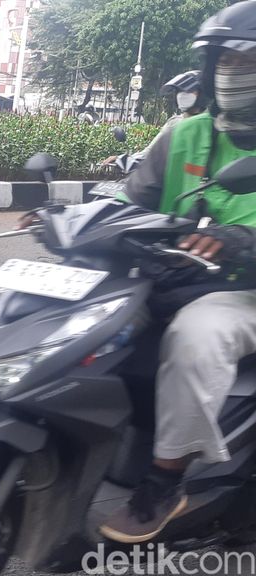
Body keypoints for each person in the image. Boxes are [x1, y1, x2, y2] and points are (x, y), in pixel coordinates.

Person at [97, 0, 256, 544]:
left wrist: (243, 242)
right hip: (175, 277)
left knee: (197, 336)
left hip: (242, 292)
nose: (232, 73)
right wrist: (72, 219)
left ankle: (165, 481)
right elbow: (130, 199)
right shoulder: (183, 133)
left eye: (246, 61)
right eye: (224, 62)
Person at [100, 71, 207, 167]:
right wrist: (123, 160)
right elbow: (150, 153)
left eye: (189, 91)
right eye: (179, 91)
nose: (182, 95)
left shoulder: (212, 126)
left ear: (203, 94)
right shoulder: (174, 123)